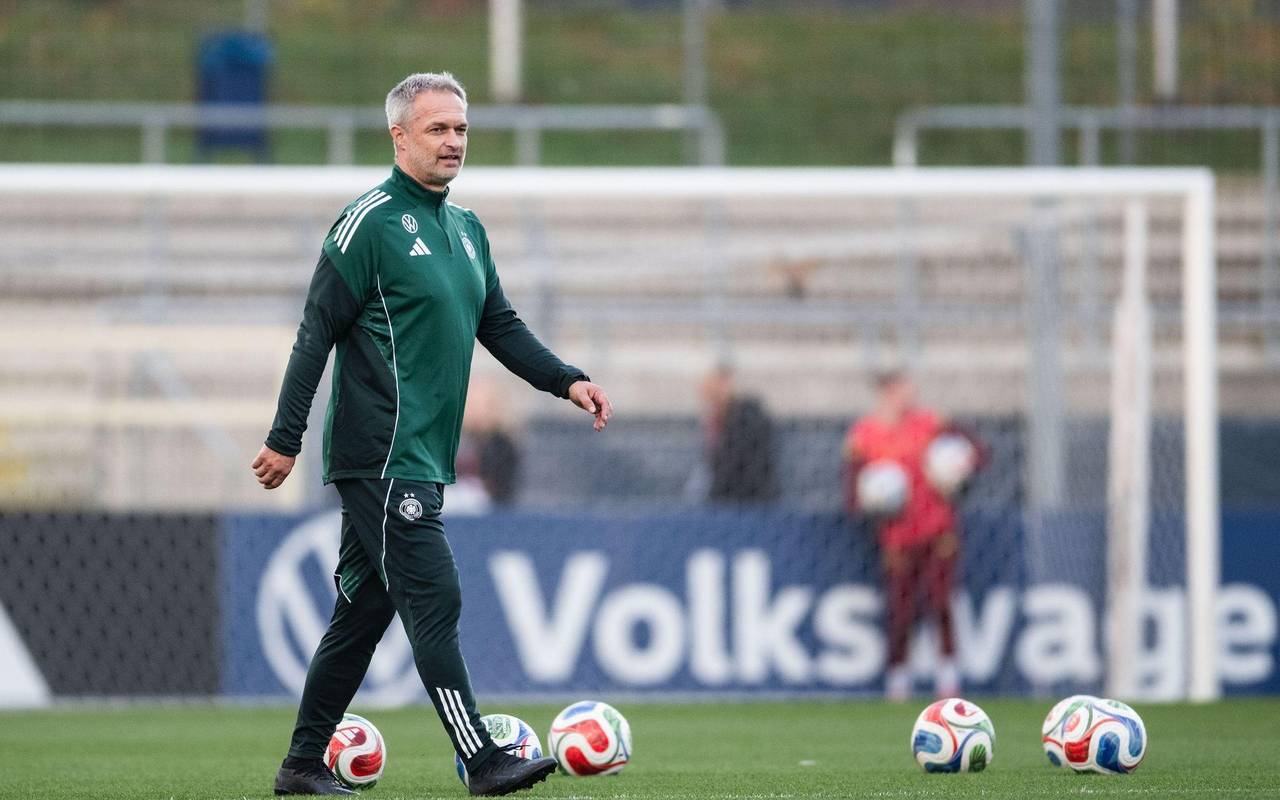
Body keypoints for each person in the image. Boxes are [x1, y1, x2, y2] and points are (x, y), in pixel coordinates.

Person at [251, 72, 612, 797]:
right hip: (378, 454)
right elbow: (314, 333)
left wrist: (565, 379)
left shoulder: (467, 229)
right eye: (437, 129)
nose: (453, 142)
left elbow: (498, 324)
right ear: (399, 136)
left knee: (361, 617)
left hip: (421, 455)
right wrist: (286, 438)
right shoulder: (368, 225)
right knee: (434, 595)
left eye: (461, 129)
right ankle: (482, 760)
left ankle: (300, 766)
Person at [842, 371, 981, 701]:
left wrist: (961, 472)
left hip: (937, 528)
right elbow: (852, 487)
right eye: (900, 390)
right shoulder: (865, 434)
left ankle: (948, 677)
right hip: (897, 535)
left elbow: (977, 452)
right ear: (886, 392)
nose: (907, 396)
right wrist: (868, 505)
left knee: (940, 601)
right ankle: (898, 677)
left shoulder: (931, 424)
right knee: (900, 607)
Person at [695, 364, 778, 504]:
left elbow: (739, 466)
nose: (710, 404)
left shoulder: (747, 420)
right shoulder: (723, 421)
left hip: (750, 501)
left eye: (713, 396)